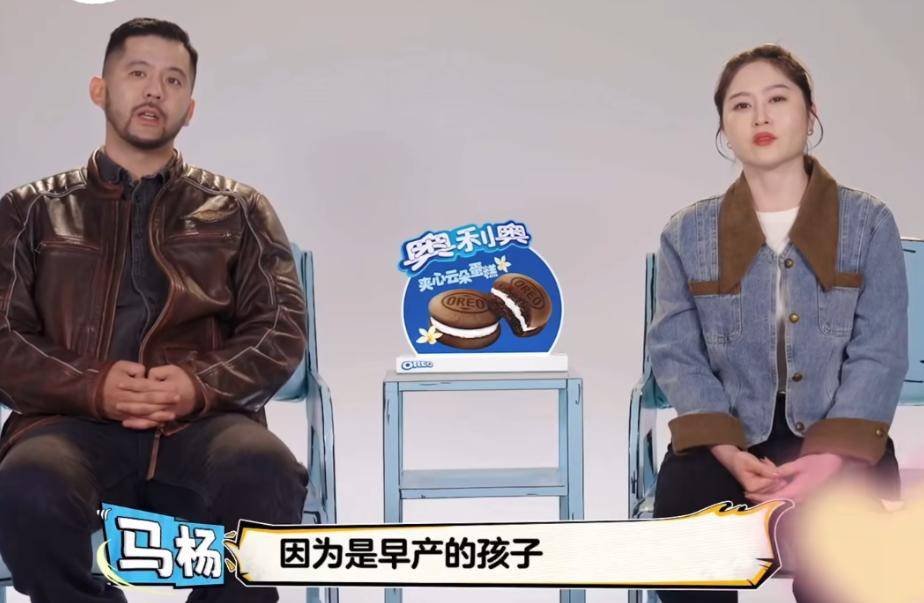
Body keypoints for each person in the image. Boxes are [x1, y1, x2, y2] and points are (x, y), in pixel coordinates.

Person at [0, 18, 309, 603]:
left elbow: (279, 329)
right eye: (137, 73)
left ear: (189, 108)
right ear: (100, 89)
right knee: (28, 486)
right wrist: (94, 386)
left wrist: (197, 385)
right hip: (68, 424)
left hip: (206, 424)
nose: (153, 91)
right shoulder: (30, 210)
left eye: (172, 80)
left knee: (265, 472)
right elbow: (5, 335)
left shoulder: (240, 208)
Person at [647, 44, 908, 603]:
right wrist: (727, 451)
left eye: (778, 99)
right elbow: (675, 354)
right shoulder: (685, 234)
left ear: (810, 115)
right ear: (724, 128)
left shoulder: (869, 223)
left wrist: (827, 458)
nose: (760, 117)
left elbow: (880, 351)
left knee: (845, 566)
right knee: (685, 552)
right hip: (724, 439)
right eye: (741, 106)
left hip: (839, 439)